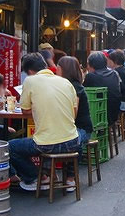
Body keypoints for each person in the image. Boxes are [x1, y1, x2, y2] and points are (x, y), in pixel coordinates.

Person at [9, 53, 80, 191]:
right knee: (46, 138)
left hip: (47, 144)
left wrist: (37, 108)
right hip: (73, 141)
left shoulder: (31, 81)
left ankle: (38, 178)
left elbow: (24, 110)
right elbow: (73, 111)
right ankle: (49, 177)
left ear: (29, 72)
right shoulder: (65, 82)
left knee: (10, 147)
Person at [57, 56, 93, 191]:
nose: (56, 70)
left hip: (82, 128)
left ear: (64, 69)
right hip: (67, 126)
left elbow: (73, 114)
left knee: (73, 140)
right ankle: (48, 176)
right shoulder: (63, 85)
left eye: (58, 67)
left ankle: (71, 178)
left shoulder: (75, 87)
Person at [83, 52, 122, 125]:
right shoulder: (114, 74)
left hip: (99, 116)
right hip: (114, 113)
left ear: (91, 64)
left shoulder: (91, 76)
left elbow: (84, 92)